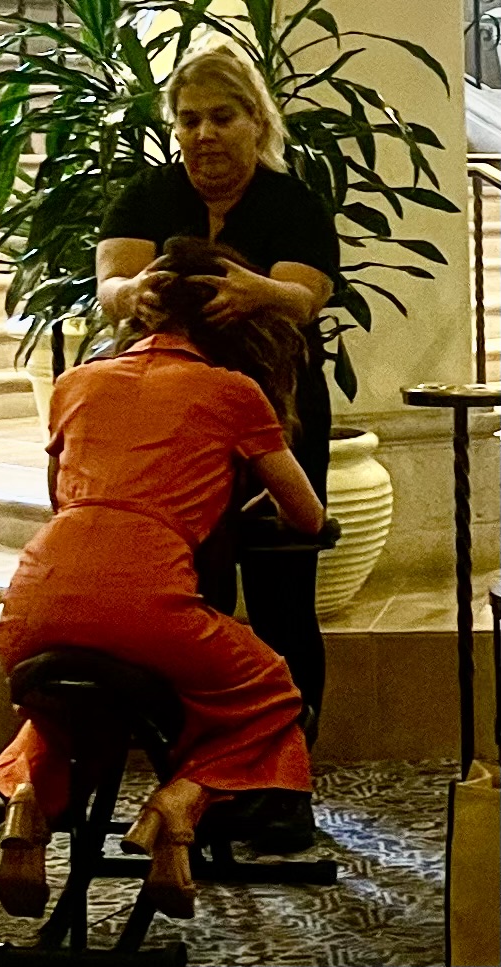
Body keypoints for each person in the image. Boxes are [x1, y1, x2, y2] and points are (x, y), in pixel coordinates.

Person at [0, 238, 326, 922]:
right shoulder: (234, 390)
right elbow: (308, 515)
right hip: (144, 596)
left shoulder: (75, 382)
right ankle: (177, 804)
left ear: (143, 314)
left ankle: (26, 798)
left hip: (32, 598)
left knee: (60, 710)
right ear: (233, 322)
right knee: (268, 692)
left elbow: (62, 493)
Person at [96, 45, 340, 734]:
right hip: (170, 420)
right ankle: (196, 759)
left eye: (221, 117)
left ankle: (288, 759)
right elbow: (110, 286)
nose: (203, 134)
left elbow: (304, 296)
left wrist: (255, 291)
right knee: (185, 592)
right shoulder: (146, 195)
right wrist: (134, 293)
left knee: (282, 593)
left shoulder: (290, 202)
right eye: (188, 120)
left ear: (256, 123)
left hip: (277, 414)